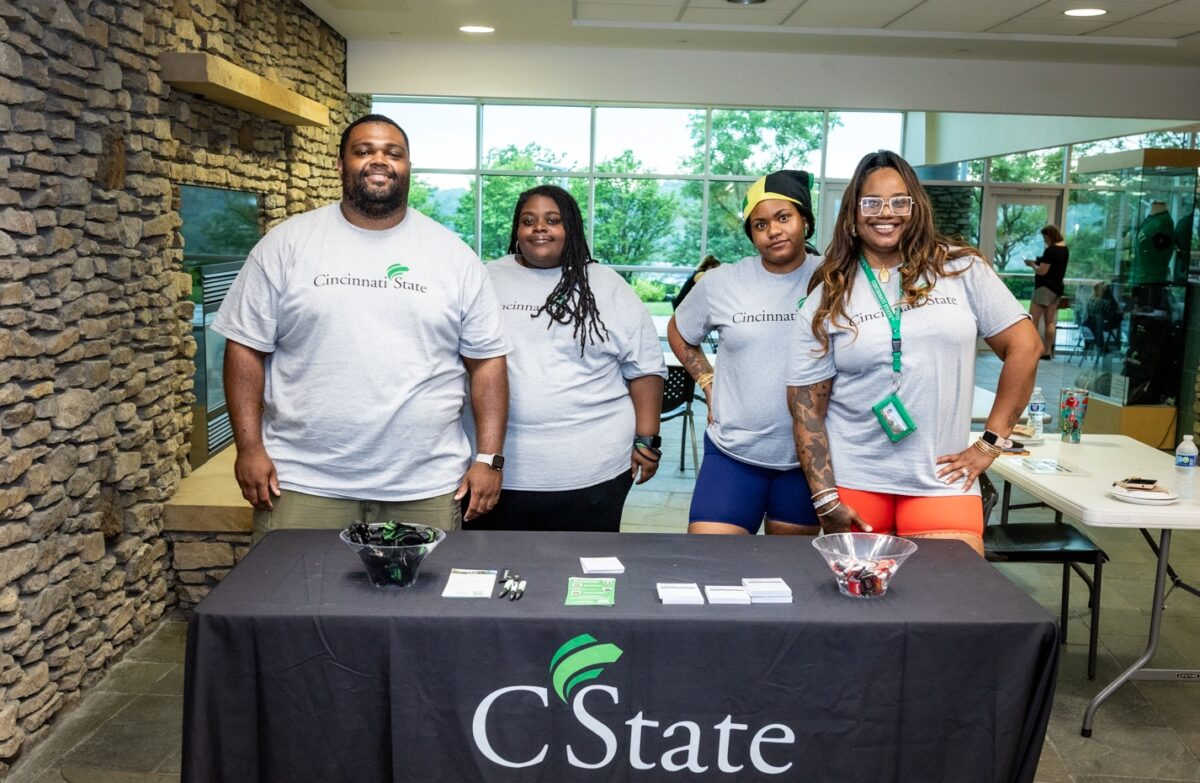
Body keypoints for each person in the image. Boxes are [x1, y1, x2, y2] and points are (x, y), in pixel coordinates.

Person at [214, 114, 511, 543]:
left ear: (408, 167)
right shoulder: (286, 245)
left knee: (420, 610)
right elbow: (245, 348)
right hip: (303, 482)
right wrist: (249, 448)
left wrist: (488, 458)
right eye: (364, 150)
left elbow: (487, 363)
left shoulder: (453, 256)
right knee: (291, 606)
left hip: (423, 485)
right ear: (340, 164)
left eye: (393, 153)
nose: (379, 160)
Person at [787, 150, 1041, 556]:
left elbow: (1025, 347)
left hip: (943, 478)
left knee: (947, 609)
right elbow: (805, 406)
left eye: (898, 201)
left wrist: (990, 443)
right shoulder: (829, 291)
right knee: (859, 610)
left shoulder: (961, 269)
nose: (885, 213)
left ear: (916, 207)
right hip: (856, 477)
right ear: (853, 213)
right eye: (871, 202)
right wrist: (824, 498)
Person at [466, 185, 666, 532]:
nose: (539, 228)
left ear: (571, 228)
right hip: (498, 469)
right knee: (494, 571)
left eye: (552, 220)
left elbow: (645, 367)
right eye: (528, 221)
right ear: (517, 230)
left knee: (581, 574)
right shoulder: (486, 279)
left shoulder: (606, 285)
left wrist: (647, 439)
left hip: (594, 470)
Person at [668, 170, 822, 536]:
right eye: (760, 224)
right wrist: (707, 380)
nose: (773, 230)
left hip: (806, 459)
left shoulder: (834, 277)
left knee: (788, 577)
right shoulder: (723, 282)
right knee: (711, 567)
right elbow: (679, 330)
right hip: (733, 453)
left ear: (805, 221)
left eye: (784, 217)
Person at [1023, 224, 1069, 360]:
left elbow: (1042, 271)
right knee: (1050, 321)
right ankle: (1047, 351)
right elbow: (1053, 265)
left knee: (1033, 319)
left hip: (1044, 288)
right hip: (1057, 288)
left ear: (1050, 236)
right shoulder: (1065, 250)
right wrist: (1038, 260)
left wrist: (1032, 264)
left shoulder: (1051, 250)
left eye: (1045, 238)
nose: (1045, 241)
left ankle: (1033, 349)